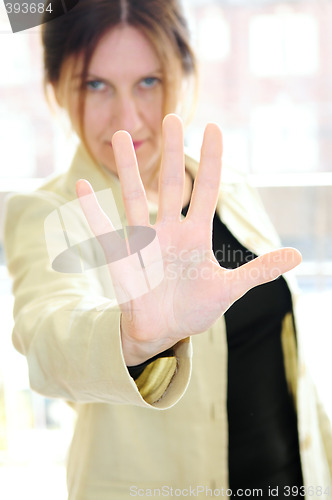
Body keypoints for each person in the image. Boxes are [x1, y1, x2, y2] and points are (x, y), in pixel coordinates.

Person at [3, 0, 332, 498]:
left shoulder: (226, 188)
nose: (126, 120)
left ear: (183, 73)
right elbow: (47, 332)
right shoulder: (51, 211)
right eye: (96, 85)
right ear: (55, 88)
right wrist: (132, 340)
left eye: (148, 82)